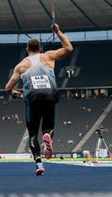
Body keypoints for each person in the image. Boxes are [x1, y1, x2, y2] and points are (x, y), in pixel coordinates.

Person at [5, 23, 73, 176]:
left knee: (33, 134)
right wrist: (57, 31)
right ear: (40, 48)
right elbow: (69, 48)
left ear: (27, 49)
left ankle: (38, 163)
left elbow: (8, 87)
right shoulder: (48, 56)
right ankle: (48, 135)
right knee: (48, 127)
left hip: (33, 98)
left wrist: (14, 93)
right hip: (50, 94)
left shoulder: (21, 65)